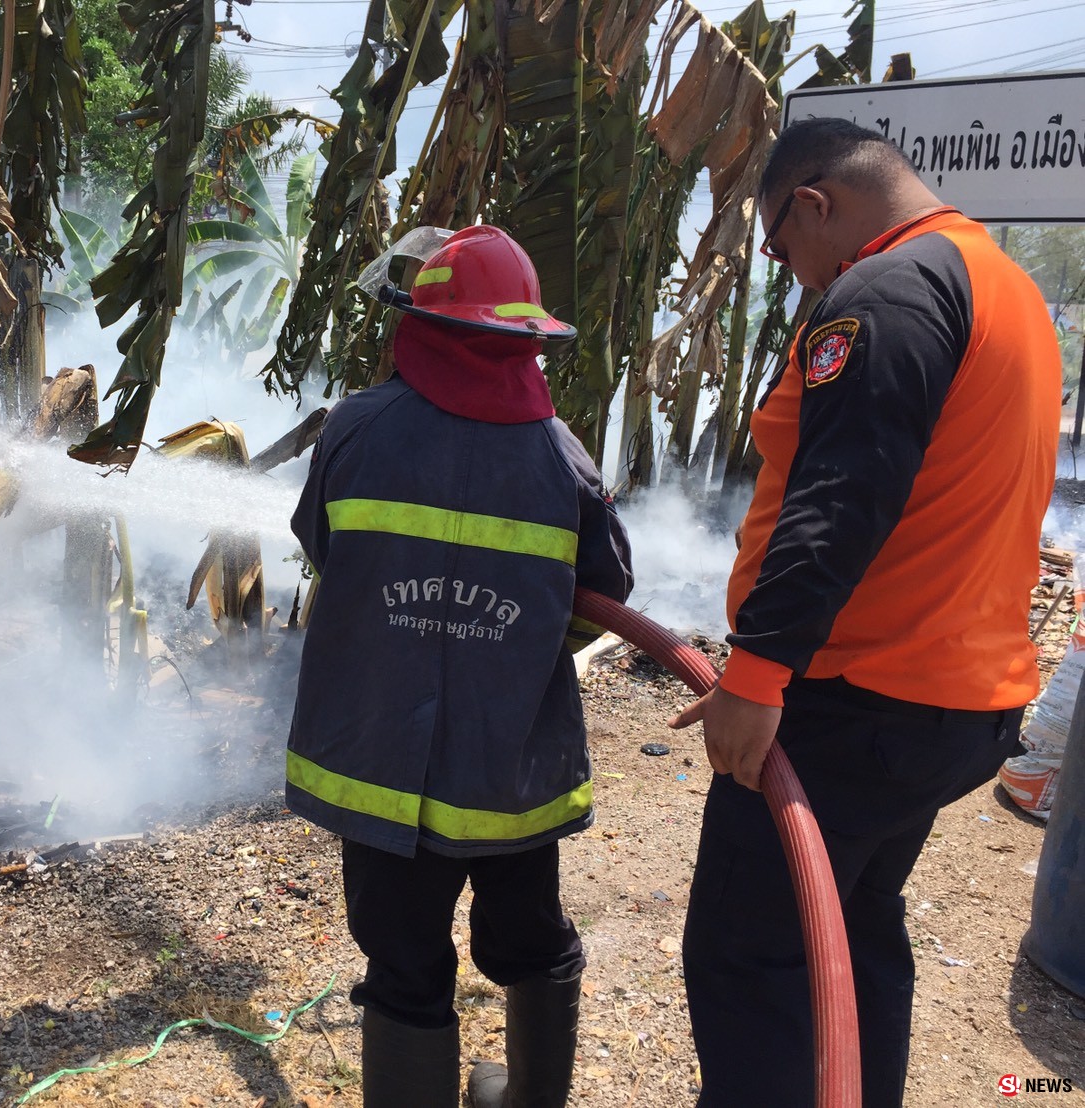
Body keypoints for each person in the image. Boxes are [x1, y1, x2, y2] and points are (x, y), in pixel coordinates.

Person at [670, 117, 1062, 1107]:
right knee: (851, 938)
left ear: (814, 203)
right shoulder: (1003, 289)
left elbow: (840, 495)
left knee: (748, 964)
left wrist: (753, 680)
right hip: (948, 705)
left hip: (854, 708)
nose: (791, 273)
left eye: (779, 246)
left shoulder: (885, 290)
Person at [286, 224, 634, 1107]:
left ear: (423, 328)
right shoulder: (565, 460)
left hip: (380, 772)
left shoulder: (355, 429)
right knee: (532, 940)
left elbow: (318, 542)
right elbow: (608, 588)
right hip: (507, 769)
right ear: (524, 346)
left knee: (404, 965)